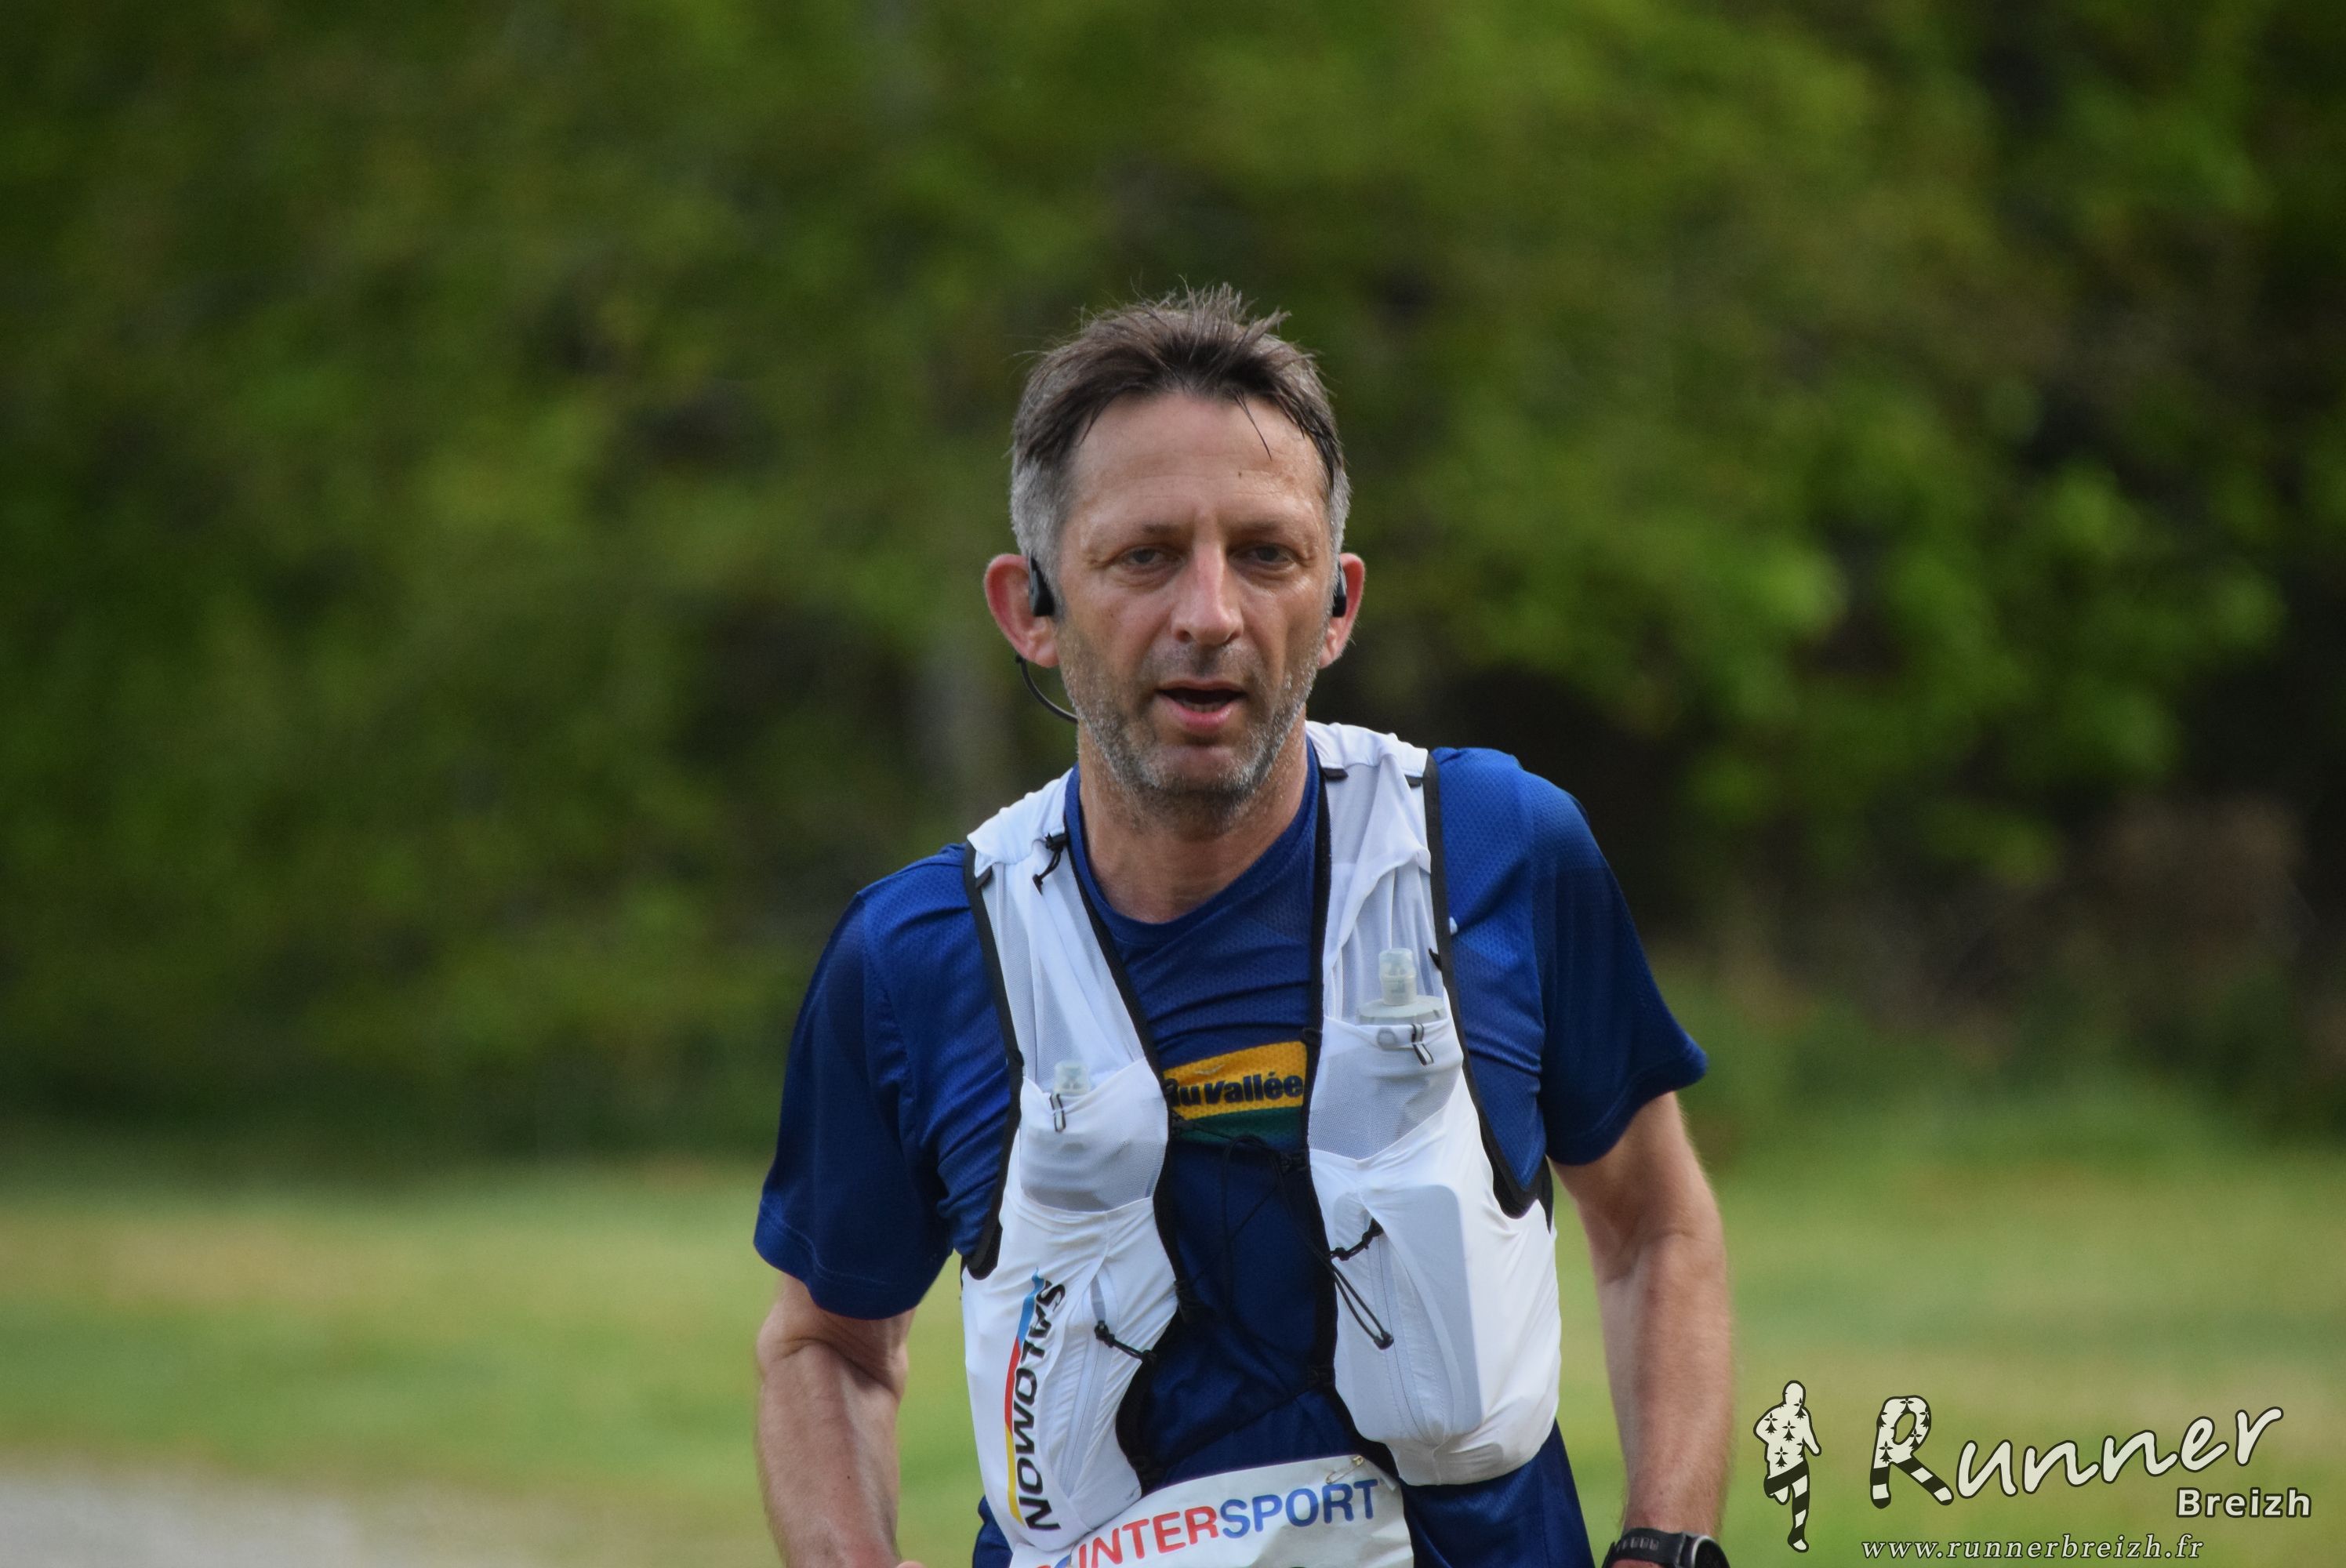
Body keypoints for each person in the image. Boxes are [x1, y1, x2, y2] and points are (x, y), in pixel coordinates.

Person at [754, 286, 1734, 1568]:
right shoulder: (916, 957)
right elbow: (826, 1345)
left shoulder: (1500, 851)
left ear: (1339, 604)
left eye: (1267, 554)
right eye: (1145, 556)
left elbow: (1655, 1225)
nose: (1210, 614)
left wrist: (1666, 1544)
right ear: (1031, 608)